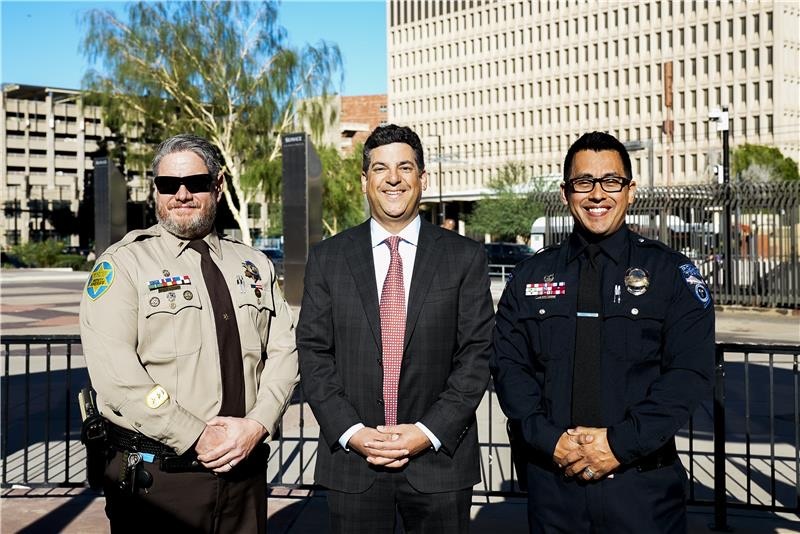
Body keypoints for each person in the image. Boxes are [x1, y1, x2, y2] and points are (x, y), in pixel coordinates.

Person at [491, 131, 714, 533]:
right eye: (584, 183)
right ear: (565, 193)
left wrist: (617, 445)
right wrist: (549, 439)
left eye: (611, 181)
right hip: (554, 489)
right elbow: (509, 367)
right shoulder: (530, 276)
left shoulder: (670, 275)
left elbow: (688, 375)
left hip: (642, 489)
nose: (598, 194)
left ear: (630, 191)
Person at [79, 134, 299, 533]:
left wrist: (259, 423)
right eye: (168, 185)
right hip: (160, 481)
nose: (181, 194)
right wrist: (197, 435)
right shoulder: (124, 265)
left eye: (195, 183)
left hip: (245, 474)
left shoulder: (254, 266)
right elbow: (116, 375)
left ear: (217, 186)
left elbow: (285, 352)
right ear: (155, 192)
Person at [297, 124, 494, 533]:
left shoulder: (464, 257)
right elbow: (314, 354)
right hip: (354, 464)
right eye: (380, 168)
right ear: (364, 180)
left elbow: (476, 356)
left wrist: (427, 431)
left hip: (439, 463)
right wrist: (352, 432)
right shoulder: (328, 259)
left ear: (423, 178)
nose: (393, 178)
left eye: (405, 167)